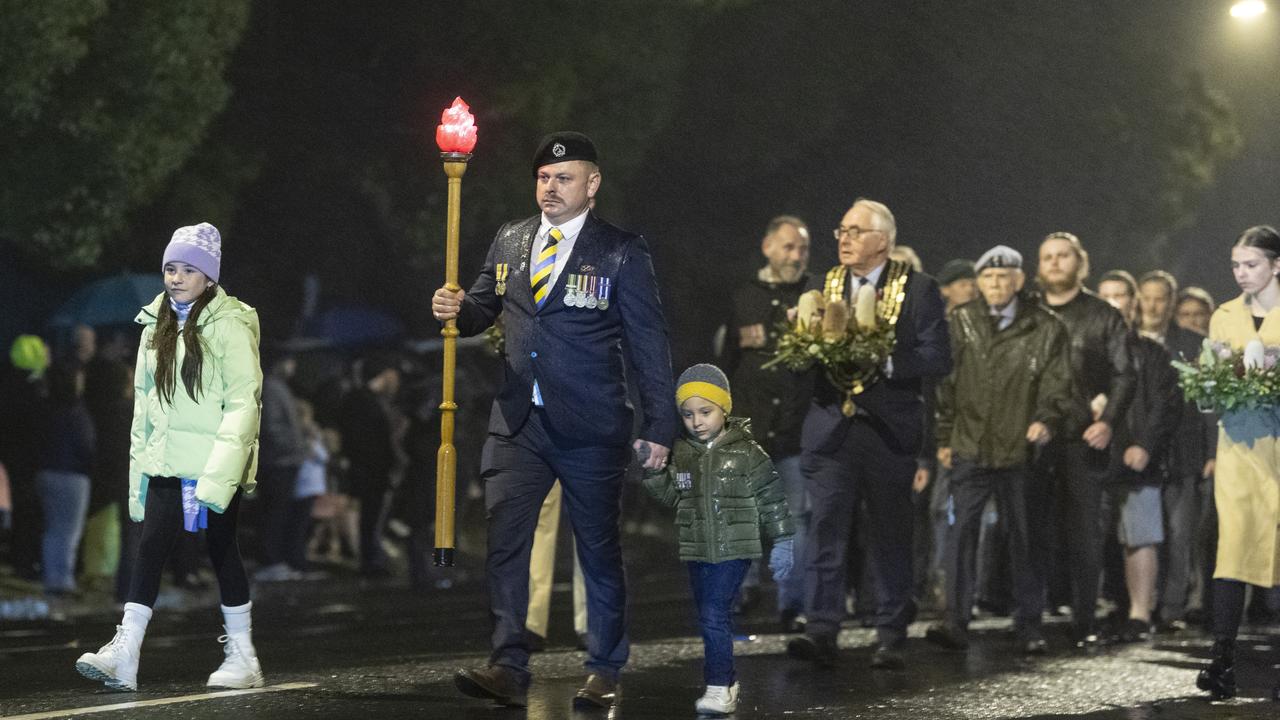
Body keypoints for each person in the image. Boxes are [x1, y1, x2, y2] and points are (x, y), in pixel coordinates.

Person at [432, 131, 678, 710]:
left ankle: (605, 666)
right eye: (543, 177)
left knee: (597, 548)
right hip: (519, 421)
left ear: (592, 185)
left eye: (564, 178)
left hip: (592, 425)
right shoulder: (511, 239)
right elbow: (480, 309)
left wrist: (659, 426)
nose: (550, 187)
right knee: (506, 544)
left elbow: (650, 345)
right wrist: (455, 308)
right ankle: (508, 664)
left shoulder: (620, 250)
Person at [74, 222, 265, 692]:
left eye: (188, 270)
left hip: (215, 462)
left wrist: (219, 474)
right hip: (165, 461)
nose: (176, 278)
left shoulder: (231, 324)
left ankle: (243, 656)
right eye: (170, 269)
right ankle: (126, 652)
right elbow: (146, 408)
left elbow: (244, 402)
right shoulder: (153, 324)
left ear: (209, 277)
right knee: (150, 547)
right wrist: (142, 467)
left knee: (222, 551)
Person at [786, 198, 951, 670]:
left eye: (856, 231)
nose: (844, 238)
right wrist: (803, 349)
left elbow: (938, 357)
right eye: (841, 229)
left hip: (887, 431)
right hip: (832, 429)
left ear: (884, 241)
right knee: (825, 529)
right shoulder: (820, 285)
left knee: (889, 536)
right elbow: (801, 361)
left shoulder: (919, 289)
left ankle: (890, 631)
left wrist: (889, 362)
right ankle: (820, 629)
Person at [929, 245, 1072, 655]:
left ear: (1019, 280)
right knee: (961, 535)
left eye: (1003, 277)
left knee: (1025, 538)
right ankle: (956, 621)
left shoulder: (1046, 326)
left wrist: (1045, 419)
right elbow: (946, 384)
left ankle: (1028, 623)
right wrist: (944, 438)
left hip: (1020, 449)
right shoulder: (961, 321)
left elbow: (1056, 382)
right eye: (987, 278)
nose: (994, 284)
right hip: (971, 444)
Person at [643, 364, 793, 715]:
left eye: (705, 412)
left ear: (725, 407)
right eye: (688, 414)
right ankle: (727, 680)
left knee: (713, 614)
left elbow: (773, 498)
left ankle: (717, 687)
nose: (697, 421)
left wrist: (783, 540)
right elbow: (671, 497)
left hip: (735, 549)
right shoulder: (683, 454)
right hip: (697, 548)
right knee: (710, 615)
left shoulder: (748, 453)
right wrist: (652, 472)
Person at [1028, 231, 1134, 647]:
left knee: (1084, 534)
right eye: (1047, 256)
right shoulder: (1028, 312)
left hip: (1082, 440)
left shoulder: (1103, 315)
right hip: (1035, 437)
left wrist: (1108, 420)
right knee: (1031, 530)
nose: (1054, 262)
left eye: (1063, 256)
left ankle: (1085, 620)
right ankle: (1030, 619)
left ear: (1080, 263)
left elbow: (1125, 373)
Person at [1195, 225, 1280, 702]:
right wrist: (1215, 381)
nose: (1241, 273)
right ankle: (1221, 661)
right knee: (1233, 548)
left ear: (1276, 265)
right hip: (1239, 446)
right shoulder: (1224, 315)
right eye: (1236, 265)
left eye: (1251, 264)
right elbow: (1211, 383)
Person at [717, 215, 813, 631]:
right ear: (768, 247)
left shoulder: (816, 293)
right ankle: (743, 590)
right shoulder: (742, 296)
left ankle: (793, 604)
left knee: (794, 520)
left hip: (796, 429)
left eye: (802, 249)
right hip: (748, 428)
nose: (795, 256)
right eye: (788, 247)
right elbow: (725, 361)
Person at [1097, 270, 1181, 642]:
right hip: (1095, 455)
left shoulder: (1151, 352)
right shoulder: (1088, 347)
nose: (1113, 302)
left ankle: (1139, 612)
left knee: (1140, 534)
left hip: (1135, 457)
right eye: (1105, 296)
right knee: (1095, 536)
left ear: (1133, 302)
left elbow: (1164, 405)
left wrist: (1144, 444)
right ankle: (1103, 606)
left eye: (1120, 295)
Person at [1135, 271, 1218, 630]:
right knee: (1142, 534)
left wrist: (1213, 451)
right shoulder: (1128, 340)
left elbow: (1210, 404)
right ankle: (1140, 605)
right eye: (1147, 297)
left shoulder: (1195, 344)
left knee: (1181, 534)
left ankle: (1172, 608)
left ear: (1171, 303)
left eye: (1160, 299)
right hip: (1141, 453)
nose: (1153, 305)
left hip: (1184, 453)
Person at [338, 354, 403, 578]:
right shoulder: (363, 401)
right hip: (370, 470)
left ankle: (373, 559)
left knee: (372, 517)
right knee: (371, 517)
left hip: (371, 469)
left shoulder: (364, 400)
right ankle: (371, 561)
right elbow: (364, 440)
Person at [36, 362, 95, 596]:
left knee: (53, 529)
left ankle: (53, 578)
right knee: (69, 530)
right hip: (72, 474)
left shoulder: (45, 406)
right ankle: (62, 581)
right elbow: (85, 445)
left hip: (46, 471)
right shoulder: (76, 410)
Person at [256, 353, 307, 581]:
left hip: (282, 460)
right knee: (275, 512)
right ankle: (270, 561)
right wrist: (294, 448)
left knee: (279, 512)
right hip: (278, 462)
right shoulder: (273, 388)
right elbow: (272, 426)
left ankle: (276, 559)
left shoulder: (277, 387)